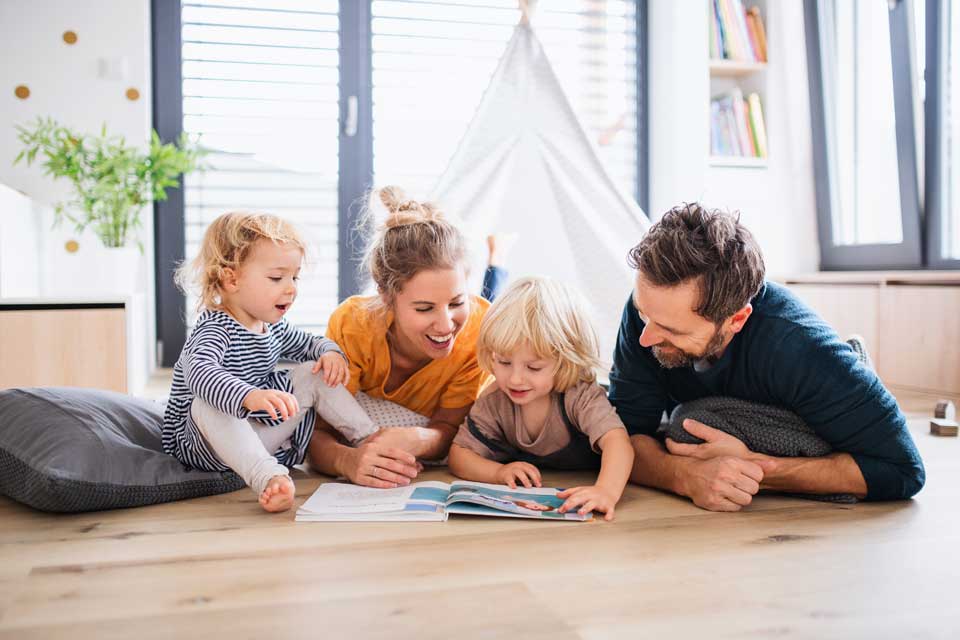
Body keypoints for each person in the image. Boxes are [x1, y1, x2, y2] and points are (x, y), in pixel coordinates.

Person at [608, 203, 925, 512]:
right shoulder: (650, 313)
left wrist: (757, 470)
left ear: (736, 320)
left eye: (671, 330)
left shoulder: (800, 348)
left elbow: (903, 470)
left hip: (808, 400)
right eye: (642, 313)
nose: (645, 337)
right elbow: (621, 437)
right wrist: (683, 477)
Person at [163, 212, 372, 512]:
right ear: (231, 278)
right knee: (205, 402)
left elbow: (309, 343)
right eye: (277, 278)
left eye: (294, 276)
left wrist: (330, 352)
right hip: (205, 445)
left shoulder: (271, 327)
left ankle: (369, 438)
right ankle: (267, 476)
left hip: (256, 434)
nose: (291, 288)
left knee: (312, 372)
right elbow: (200, 373)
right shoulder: (215, 329)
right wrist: (248, 396)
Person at [307, 186, 498, 488]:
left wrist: (421, 438)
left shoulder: (478, 330)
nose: (446, 324)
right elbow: (316, 431)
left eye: (457, 303)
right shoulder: (354, 325)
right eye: (424, 308)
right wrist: (347, 461)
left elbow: (451, 428)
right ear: (386, 295)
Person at [448, 277, 635, 521]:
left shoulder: (578, 394)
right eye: (504, 362)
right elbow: (459, 455)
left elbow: (619, 443)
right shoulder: (495, 399)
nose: (515, 379)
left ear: (565, 362)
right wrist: (498, 472)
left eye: (533, 367)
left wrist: (605, 491)